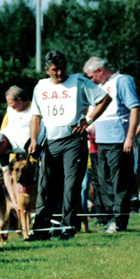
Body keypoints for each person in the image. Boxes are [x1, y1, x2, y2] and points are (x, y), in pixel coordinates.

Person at [26, 50, 112, 241]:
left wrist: (88, 120)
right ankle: (41, 229)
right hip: (51, 142)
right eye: (55, 70)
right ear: (47, 70)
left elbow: (104, 99)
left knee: (71, 186)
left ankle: (68, 227)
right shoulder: (40, 87)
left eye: (62, 68)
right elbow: (35, 117)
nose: (59, 73)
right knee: (45, 185)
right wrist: (33, 140)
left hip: (73, 141)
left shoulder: (78, 81)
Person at [83, 57, 140, 233]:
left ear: (100, 71)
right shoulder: (100, 87)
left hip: (119, 141)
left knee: (120, 182)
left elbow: (135, 108)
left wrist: (130, 137)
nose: (91, 80)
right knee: (104, 181)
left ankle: (119, 222)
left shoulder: (122, 81)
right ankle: (110, 219)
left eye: (91, 76)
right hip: (102, 141)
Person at [0, 85, 45, 209]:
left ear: (3, 142)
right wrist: (15, 202)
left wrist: (37, 185)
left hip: (46, 142)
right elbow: (6, 174)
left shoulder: (23, 138)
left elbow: (44, 164)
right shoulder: (2, 148)